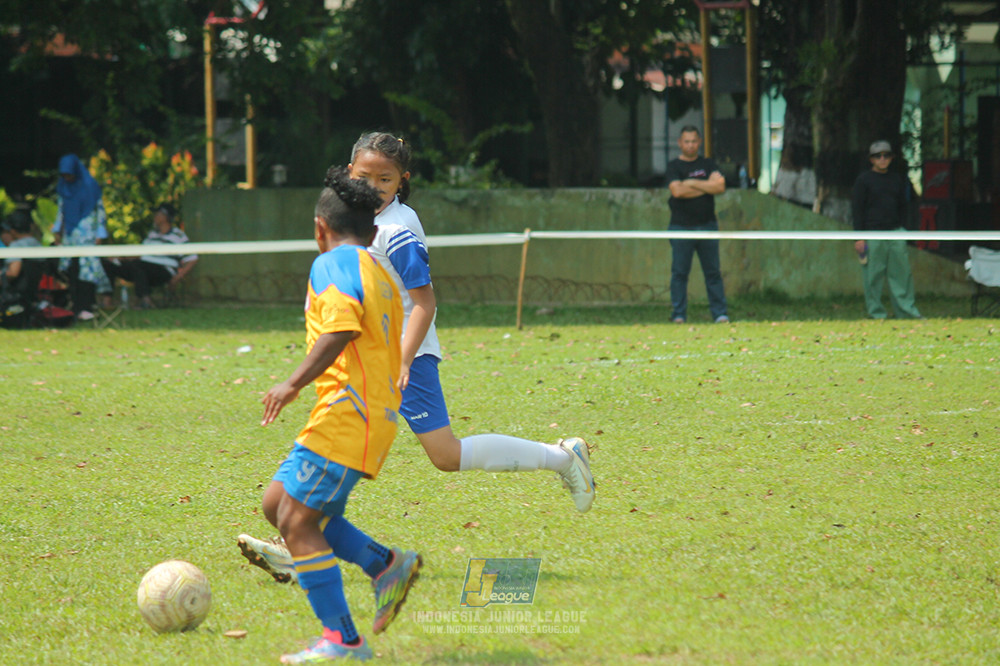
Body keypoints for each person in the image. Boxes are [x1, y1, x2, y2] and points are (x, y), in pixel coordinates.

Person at [238, 131, 595, 585]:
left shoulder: (397, 230)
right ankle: (298, 540)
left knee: (443, 453)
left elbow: (424, 303)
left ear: (402, 181)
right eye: (364, 177)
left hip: (402, 358)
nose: (373, 187)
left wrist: (403, 361)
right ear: (349, 173)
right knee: (338, 442)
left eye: (384, 179)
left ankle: (562, 459)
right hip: (368, 358)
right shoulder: (354, 219)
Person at [255, 165, 421, 663]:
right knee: (277, 503)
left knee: (296, 521)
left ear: (319, 228)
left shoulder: (331, 263)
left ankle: (343, 640)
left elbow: (342, 328)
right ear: (372, 232)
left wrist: (291, 383)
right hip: (364, 413)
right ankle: (385, 564)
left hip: (349, 414)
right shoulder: (378, 270)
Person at [851, 140, 922, 319]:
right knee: (872, 277)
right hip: (872, 234)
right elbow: (857, 210)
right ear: (871, 159)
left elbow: (903, 206)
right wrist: (859, 238)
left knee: (902, 276)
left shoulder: (897, 179)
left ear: (891, 158)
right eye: (878, 156)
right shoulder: (863, 180)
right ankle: (876, 314)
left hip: (896, 232)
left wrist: (904, 230)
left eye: (886, 155)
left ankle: (906, 312)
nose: (882, 159)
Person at [665, 126, 729, 324]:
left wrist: (691, 182)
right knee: (679, 273)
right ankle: (679, 315)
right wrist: (706, 186)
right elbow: (677, 192)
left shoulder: (708, 164)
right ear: (680, 143)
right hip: (680, 227)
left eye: (694, 141)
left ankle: (720, 314)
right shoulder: (673, 166)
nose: (690, 145)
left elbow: (720, 186)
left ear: (699, 142)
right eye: (687, 141)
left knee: (713, 273)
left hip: (707, 226)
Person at [101, 204, 198, 309]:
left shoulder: (178, 235)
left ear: (165, 217)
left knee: (138, 266)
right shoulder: (152, 234)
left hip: (163, 270)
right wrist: (120, 258)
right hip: (141, 266)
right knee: (109, 264)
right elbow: (141, 253)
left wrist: (177, 277)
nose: (154, 216)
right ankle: (107, 302)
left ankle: (146, 301)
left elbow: (192, 258)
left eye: (157, 214)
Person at [52, 154, 110, 321]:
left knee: (87, 270)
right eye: (64, 175)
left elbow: (100, 212)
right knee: (72, 269)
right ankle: (75, 307)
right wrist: (58, 231)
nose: (67, 178)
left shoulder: (90, 186)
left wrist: (100, 233)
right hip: (70, 236)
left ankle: (87, 306)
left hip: (87, 235)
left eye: (69, 174)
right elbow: (61, 211)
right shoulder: (63, 187)